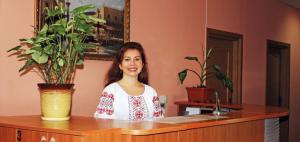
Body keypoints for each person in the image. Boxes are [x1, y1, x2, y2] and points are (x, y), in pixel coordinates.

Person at [94, 42, 163, 120]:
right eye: (127, 59)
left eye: (137, 59)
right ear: (120, 65)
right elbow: (103, 124)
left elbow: (159, 123)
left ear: (142, 64)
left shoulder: (151, 92)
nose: (132, 63)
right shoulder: (111, 91)